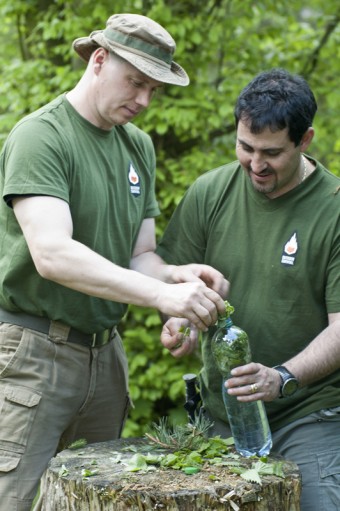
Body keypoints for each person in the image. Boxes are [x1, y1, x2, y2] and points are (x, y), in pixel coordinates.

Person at [0, 13, 229, 510]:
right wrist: (162, 294)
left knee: (103, 501)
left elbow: (139, 256)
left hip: (105, 359)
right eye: (136, 82)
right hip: (34, 355)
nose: (144, 101)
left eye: (154, 89)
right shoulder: (41, 136)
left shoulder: (138, 147)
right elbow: (52, 255)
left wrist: (176, 277)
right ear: (99, 61)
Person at [157, 68, 340, 510]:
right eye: (246, 148)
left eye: (272, 153)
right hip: (224, 417)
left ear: (305, 140)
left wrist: (283, 377)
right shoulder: (210, 192)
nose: (256, 164)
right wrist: (179, 318)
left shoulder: (332, 210)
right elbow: (166, 272)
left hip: (309, 415)